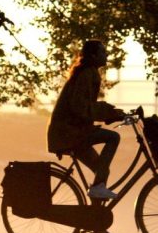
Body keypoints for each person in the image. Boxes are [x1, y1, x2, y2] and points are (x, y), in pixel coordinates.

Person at [47, 40, 124, 200]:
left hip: (72, 132)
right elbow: (80, 107)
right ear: (94, 55)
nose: (106, 55)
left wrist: (110, 113)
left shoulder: (86, 73)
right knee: (113, 137)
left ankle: (96, 215)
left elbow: (86, 107)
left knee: (102, 170)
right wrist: (109, 112)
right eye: (103, 52)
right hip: (70, 133)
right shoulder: (88, 74)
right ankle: (97, 189)